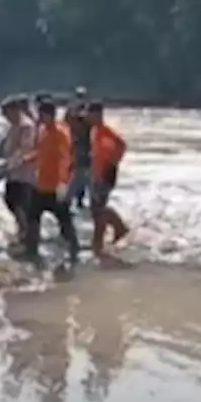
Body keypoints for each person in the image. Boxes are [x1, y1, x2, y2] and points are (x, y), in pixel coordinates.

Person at [24, 100, 79, 268]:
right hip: (40, 184)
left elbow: (66, 159)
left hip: (55, 186)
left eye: (41, 114)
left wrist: (63, 183)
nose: (39, 117)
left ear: (50, 115)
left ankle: (74, 249)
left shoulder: (61, 133)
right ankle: (31, 250)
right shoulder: (43, 131)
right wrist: (27, 159)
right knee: (32, 217)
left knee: (64, 220)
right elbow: (41, 152)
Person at [0, 96, 37, 247]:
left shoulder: (27, 126)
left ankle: (26, 234)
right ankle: (23, 230)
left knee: (20, 202)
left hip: (25, 172)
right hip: (12, 172)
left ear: (15, 111)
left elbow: (24, 149)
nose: (4, 117)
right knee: (10, 200)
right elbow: (2, 148)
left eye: (6, 113)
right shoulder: (11, 126)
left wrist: (7, 166)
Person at [85, 101, 129, 257]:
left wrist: (114, 162)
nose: (87, 117)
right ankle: (99, 240)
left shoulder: (107, 132)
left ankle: (118, 228)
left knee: (98, 208)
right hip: (96, 174)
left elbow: (122, 145)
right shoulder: (95, 131)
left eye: (90, 114)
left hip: (106, 175)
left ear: (97, 115)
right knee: (96, 209)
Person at [64, 87, 93, 211]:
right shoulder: (71, 111)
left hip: (85, 148)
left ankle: (79, 200)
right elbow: (66, 126)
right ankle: (72, 201)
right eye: (79, 96)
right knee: (74, 176)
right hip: (74, 148)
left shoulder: (87, 112)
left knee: (83, 176)